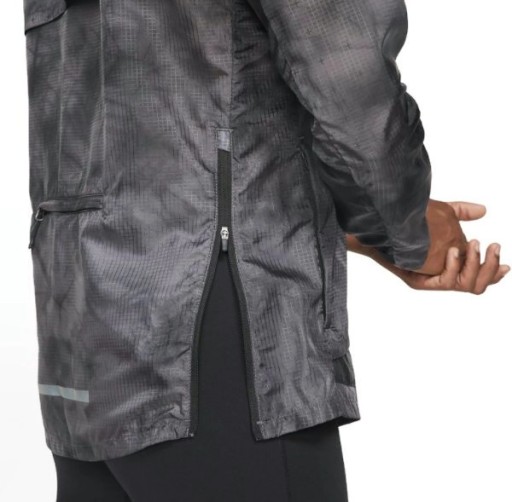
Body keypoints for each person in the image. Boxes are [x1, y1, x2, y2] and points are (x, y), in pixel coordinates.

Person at [22, 0, 508, 500]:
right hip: (216, 333)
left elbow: (131, 148)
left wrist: (353, 229)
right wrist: (409, 230)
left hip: (84, 334)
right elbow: (347, 80)